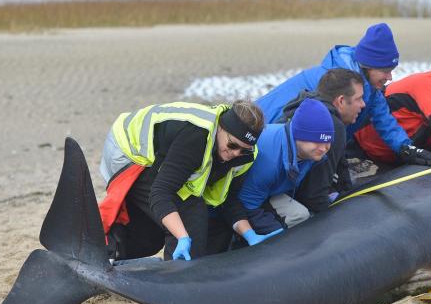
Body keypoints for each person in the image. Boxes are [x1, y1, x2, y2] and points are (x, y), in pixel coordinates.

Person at [256, 23, 431, 167]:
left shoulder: (367, 86)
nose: (390, 77)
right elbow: (289, 127)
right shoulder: (332, 85)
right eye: (386, 71)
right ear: (369, 66)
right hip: (266, 124)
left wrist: (406, 148)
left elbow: (384, 119)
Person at [97, 99, 264, 261]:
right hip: (128, 149)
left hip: (162, 157)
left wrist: (250, 235)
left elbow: (229, 199)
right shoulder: (196, 136)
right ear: (221, 128)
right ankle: (178, 281)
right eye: (232, 145)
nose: (235, 153)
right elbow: (160, 192)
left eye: (244, 150)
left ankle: (112, 253)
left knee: (153, 238)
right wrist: (183, 237)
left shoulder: (246, 157)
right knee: (189, 213)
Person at [212, 98, 336, 249]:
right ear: (298, 136)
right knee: (280, 239)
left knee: (302, 214)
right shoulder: (270, 161)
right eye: (316, 141)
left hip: (267, 191)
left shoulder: (312, 154)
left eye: (327, 142)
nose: (323, 148)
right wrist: (276, 234)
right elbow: (245, 203)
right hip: (236, 198)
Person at [279, 68, 366, 206]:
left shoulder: (303, 105)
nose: (363, 104)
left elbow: (339, 166)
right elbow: (314, 195)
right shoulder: (332, 126)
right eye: (359, 98)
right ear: (341, 101)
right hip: (274, 196)